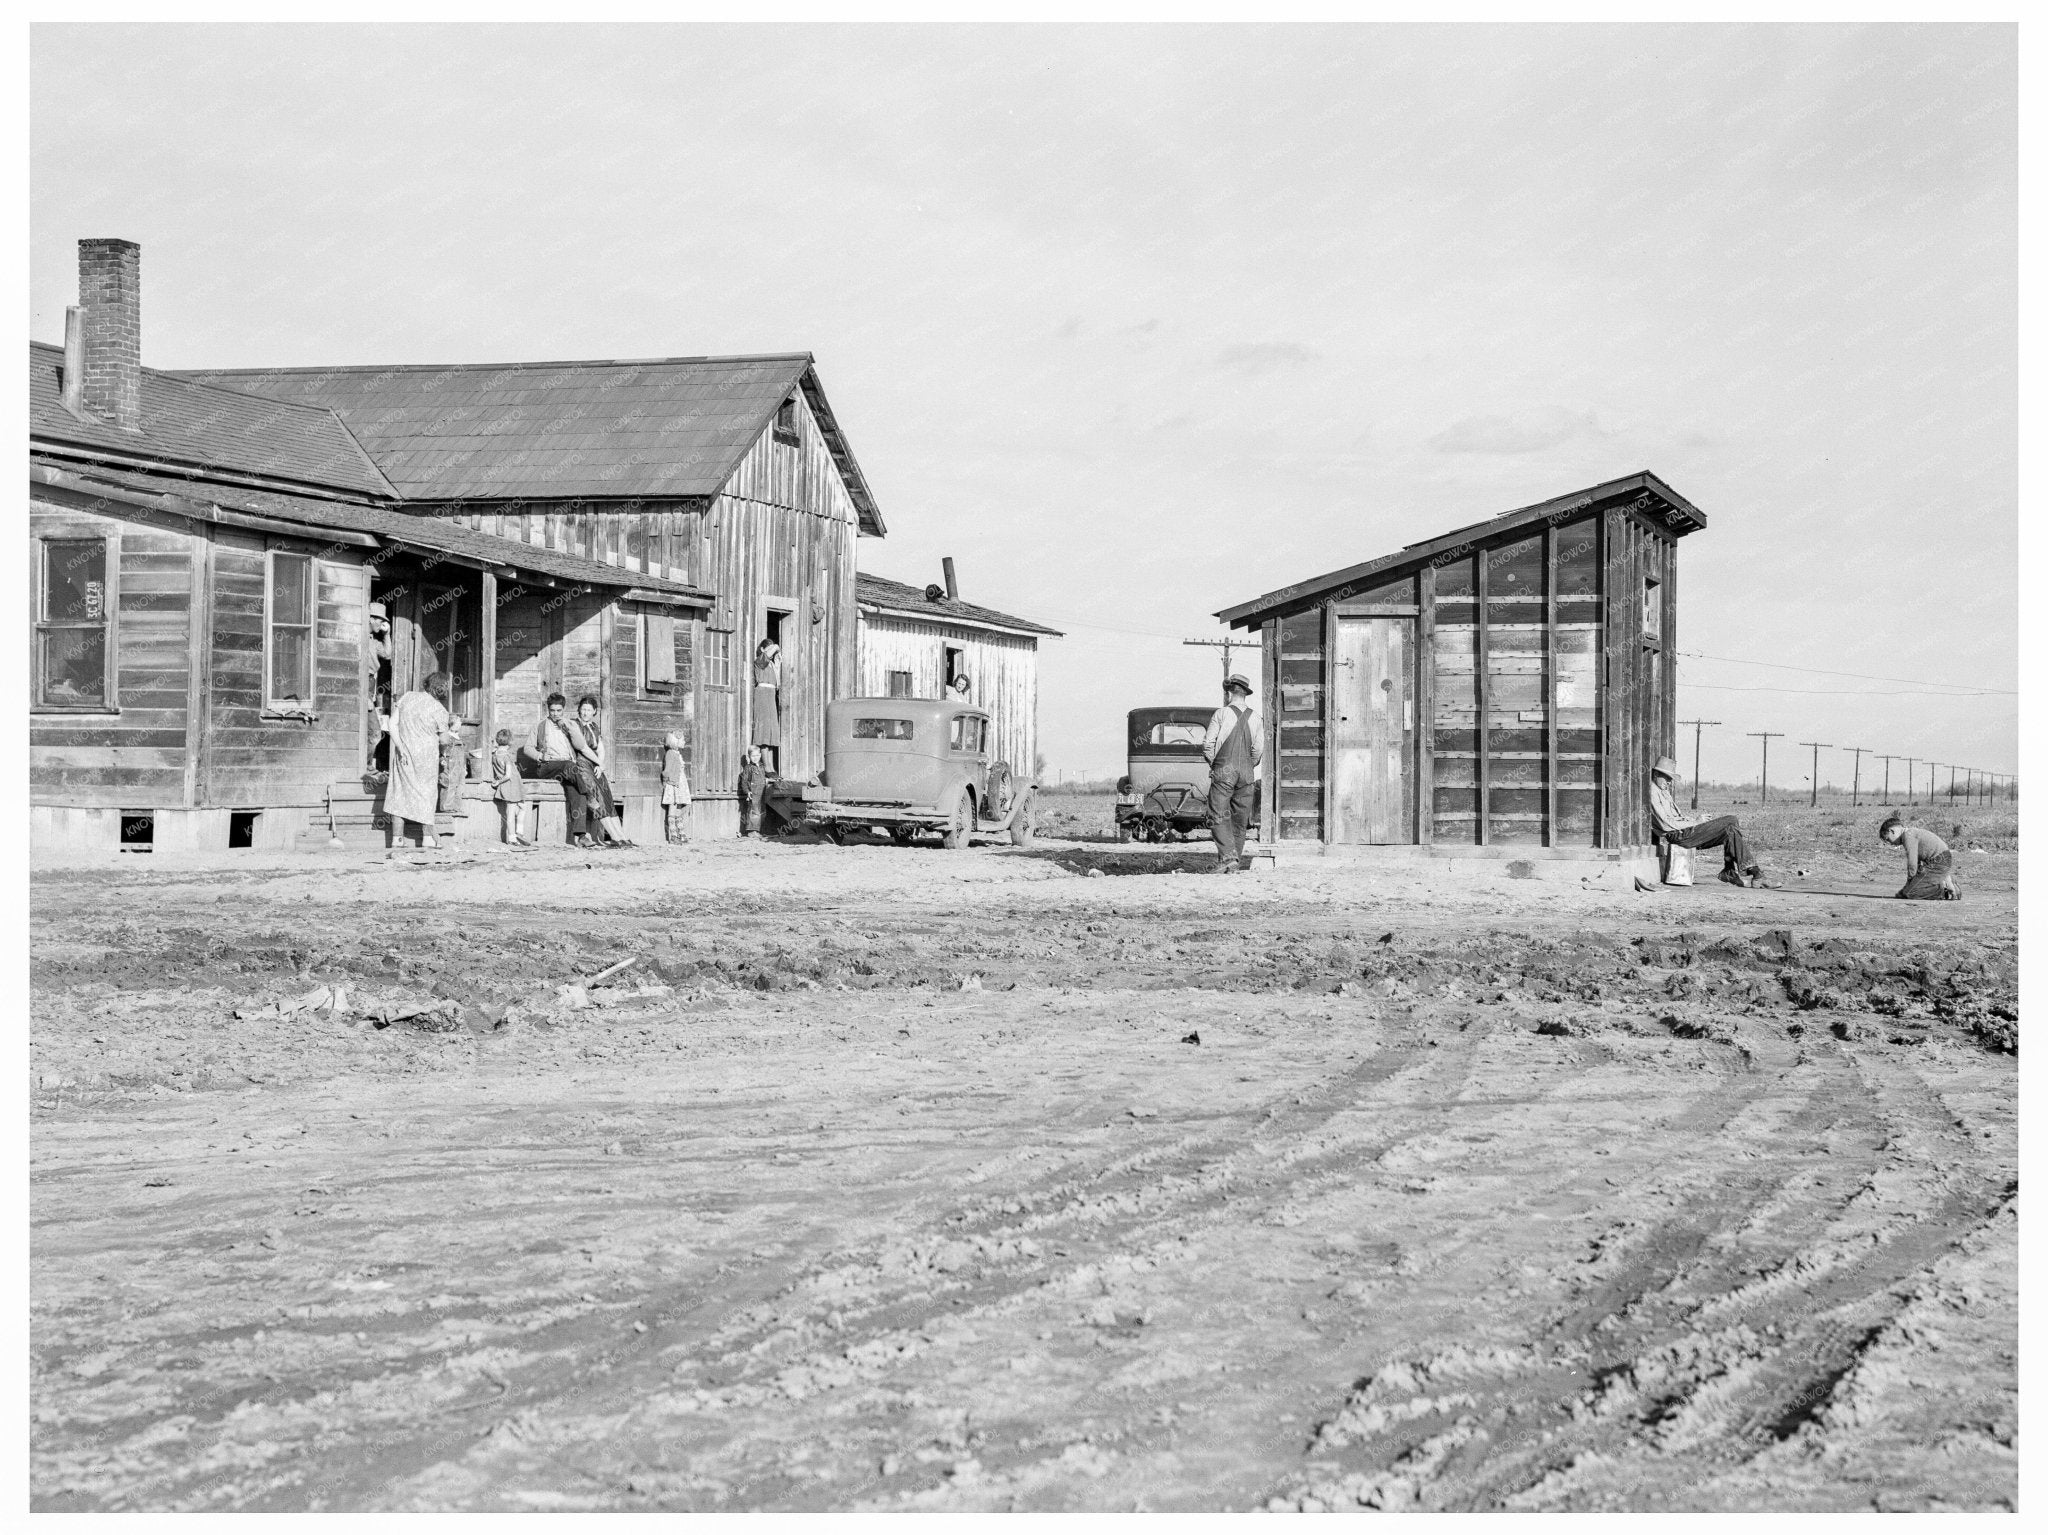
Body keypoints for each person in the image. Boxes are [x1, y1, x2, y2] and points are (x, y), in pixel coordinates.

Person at [1650, 755, 1765, 888]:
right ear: (1656, 774)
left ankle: (1738, 871)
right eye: (1667, 777)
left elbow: (1677, 818)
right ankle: (1749, 873)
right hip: (1678, 835)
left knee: (1730, 830)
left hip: (1684, 832)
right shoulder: (1653, 792)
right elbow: (1666, 824)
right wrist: (1696, 822)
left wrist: (1695, 821)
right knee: (1731, 820)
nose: (1669, 782)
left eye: (1671, 779)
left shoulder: (1663, 792)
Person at [385, 671, 462, 850]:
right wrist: (449, 738)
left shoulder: (408, 697)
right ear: (441, 690)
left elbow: (391, 725)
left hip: (404, 754)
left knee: (400, 793)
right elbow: (443, 740)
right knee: (426, 795)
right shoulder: (439, 710)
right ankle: (428, 838)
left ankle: (397, 839)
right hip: (426, 757)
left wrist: (400, 747)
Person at [520, 692, 602, 848]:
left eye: (559, 710)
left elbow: (579, 744)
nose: (556, 714)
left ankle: (581, 836)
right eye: (553, 710)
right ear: (548, 710)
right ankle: (591, 795)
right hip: (547, 767)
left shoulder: (569, 724)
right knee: (569, 766)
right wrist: (540, 756)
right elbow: (527, 748)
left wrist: (570, 728)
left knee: (578, 792)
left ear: (563, 709)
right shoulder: (540, 725)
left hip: (568, 770)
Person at [1202, 674, 1262, 874]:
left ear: (1229, 693)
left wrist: (1216, 763)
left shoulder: (1221, 713)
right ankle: (1233, 863)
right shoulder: (1256, 717)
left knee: (1216, 813)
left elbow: (1208, 745)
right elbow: (1258, 750)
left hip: (1223, 770)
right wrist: (1247, 766)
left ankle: (1227, 858)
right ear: (1245, 694)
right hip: (1247, 772)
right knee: (1239, 818)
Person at [568, 696, 634, 847]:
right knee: (598, 799)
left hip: (594, 765)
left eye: (588, 710)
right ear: (579, 710)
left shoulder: (594, 727)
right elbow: (581, 747)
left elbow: (600, 748)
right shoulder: (574, 725)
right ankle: (614, 836)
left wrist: (601, 765)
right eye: (583, 709)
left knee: (607, 796)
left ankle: (622, 836)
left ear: (594, 711)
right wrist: (599, 762)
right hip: (581, 764)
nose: (585, 713)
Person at [1881, 814, 1960, 900]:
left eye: (1888, 839)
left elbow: (1912, 864)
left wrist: (1910, 884)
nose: (1890, 843)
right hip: (1940, 860)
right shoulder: (1910, 833)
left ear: (1892, 831)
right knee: (1906, 892)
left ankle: (1943, 888)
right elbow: (1918, 863)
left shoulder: (1908, 836)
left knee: (1911, 892)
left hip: (1938, 861)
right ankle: (1944, 880)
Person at [491, 728, 531, 847]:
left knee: (522, 807)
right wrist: (499, 782)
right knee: (511, 812)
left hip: (510, 786)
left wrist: (497, 781)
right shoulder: (507, 756)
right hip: (511, 786)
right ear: (510, 742)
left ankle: (518, 833)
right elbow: (508, 775)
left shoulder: (495, 754)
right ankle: (512, 837)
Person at [751, 638, 784, 776]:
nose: (772, 651)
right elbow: (769, 652)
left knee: (770, 733)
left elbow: (778, 685)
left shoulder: (770, 665)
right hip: (763, 695)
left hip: (770, 695)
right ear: (763, 650)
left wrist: (777, 666)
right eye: (768, 648)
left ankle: (771, 768)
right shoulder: (759, 661)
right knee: (764, 733)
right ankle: (767, 768)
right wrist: (776, 646)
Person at [661, 730, 692, 844]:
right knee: (673, 808)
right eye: (683, 740)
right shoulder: (670, 754)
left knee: (678, 808)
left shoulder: (677, 753)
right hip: (673, 784)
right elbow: (667, 770)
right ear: (676, 741)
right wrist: (666, 780)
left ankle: (681, 833)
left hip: (680, 785)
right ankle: (673, 835)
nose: (684, 742)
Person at [738, 746, 769, 837]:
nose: (755, 758)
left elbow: (763, 777)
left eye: (757, 755)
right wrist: (747, 791)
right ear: (749, 757)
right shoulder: (748, 768)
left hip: (762, 793)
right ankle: (752, 831)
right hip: (753, 793)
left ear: (760, 755)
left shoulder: (762, 767)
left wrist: (766, 780)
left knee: (762, 811)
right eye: (753, 756)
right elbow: (744, 781)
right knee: (754, 811)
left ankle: (758, 830)